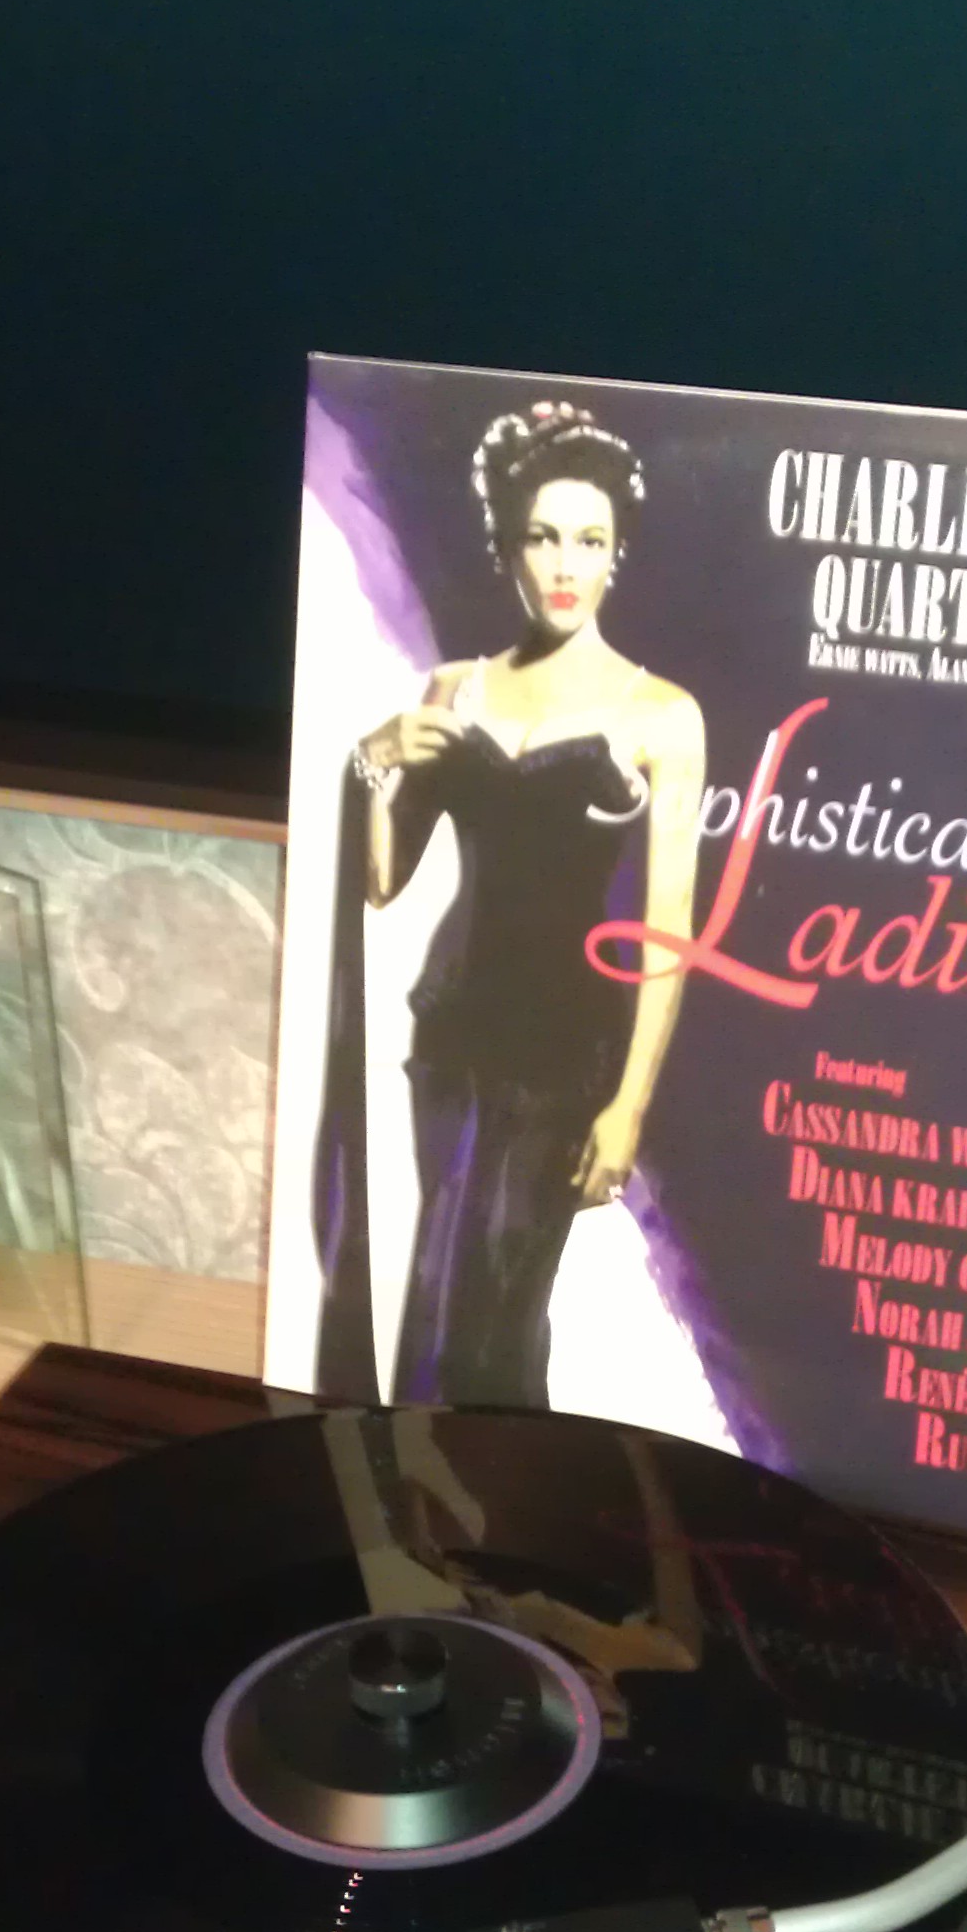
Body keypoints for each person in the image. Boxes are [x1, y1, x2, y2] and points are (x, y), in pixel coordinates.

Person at [315, 400, 705, 1406]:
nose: (565, 564)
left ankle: (482, 1481)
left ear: (616, 553)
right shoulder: (451, 690)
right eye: (543, 537)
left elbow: (667, 933)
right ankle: (450, 1487)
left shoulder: (662, 715)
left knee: (501, 1299)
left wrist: (627, 1108)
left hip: (565, 1053)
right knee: (445, 1288)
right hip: (451, 1033)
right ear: (508, 547)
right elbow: (383, 881)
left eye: (589, 540)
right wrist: (372, 764)